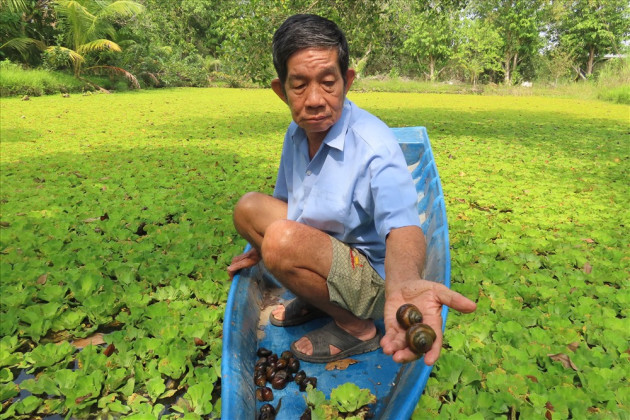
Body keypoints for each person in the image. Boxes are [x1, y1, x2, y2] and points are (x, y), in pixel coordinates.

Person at [227, 14, 476, 365]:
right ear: (280, 91)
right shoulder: (296, 134)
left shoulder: (374, 143)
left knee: (281, 241)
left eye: (328, 83)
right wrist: (258, 247)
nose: (314, 99)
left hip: (373, 275)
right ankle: (315, 294)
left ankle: (356, 328)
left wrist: (402, 284)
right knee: (248, 209)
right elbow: (284, 201)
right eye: (299, 85)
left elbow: (404, 226)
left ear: (347, 81)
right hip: (325, 246)